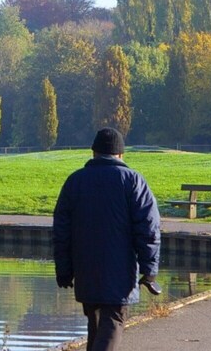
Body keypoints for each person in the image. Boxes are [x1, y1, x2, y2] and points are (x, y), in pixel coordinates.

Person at [53, 128, 159, 351]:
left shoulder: (75, 182)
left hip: (85, 270)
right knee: (112, 324)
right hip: (120, 272)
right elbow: (148, 229)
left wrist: (64, 269)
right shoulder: (133, 181)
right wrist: (149, 270)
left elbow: (61, 231)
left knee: (96, 325)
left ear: (94, 153)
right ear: (120, 154)